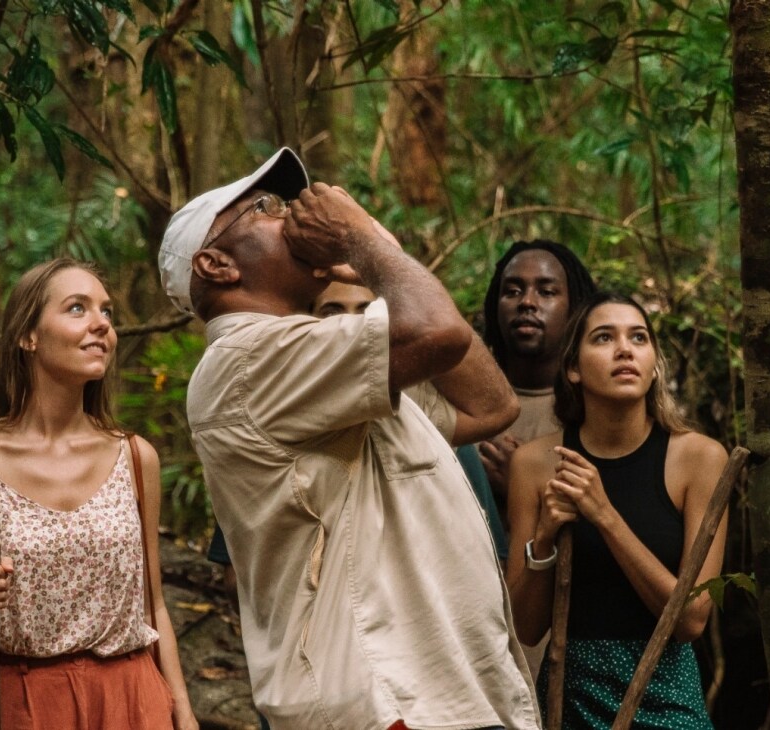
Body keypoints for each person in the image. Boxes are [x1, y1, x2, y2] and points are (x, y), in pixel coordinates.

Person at [159, 148, 538, 729]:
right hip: (382, 697)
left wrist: (368, 263)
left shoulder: (323, 360)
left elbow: (489, 405)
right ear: (215, 265)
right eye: (266, 208)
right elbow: (438, 331)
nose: (292, 217)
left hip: (440, 695)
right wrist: (366, 241)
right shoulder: (246, 359)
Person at [0, 258, 198, 730]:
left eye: (107, 312)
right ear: (27, 337)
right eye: (77, 308)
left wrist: (185, 716)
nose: (101, 325)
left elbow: (153, 606)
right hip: (27, 703)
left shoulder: (135, 456)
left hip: (134, 698)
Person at [504, 292, 729, 729]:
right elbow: (526, 630)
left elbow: (691, 620)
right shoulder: (535, 464)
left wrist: (603, 514)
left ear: (653, 364)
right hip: (571, 694)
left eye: (639, 338)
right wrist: (545, 540)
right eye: (604, 338)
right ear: (573, 368)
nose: (625, 349)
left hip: (667, 695)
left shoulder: (699, 458)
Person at [205, 283, 510, 575]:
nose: (351, 326)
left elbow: (496, 408)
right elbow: (239, 573)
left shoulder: (419, 412)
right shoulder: (271, 417)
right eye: (332, 312)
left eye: (367, 312)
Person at [476, 241, 599, 519]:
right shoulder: (463, 400)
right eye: (512, 291)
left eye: (546, 292)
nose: (527, 302)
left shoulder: (595, 409)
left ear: (575, 307)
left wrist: (521, 486)